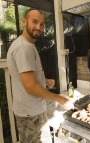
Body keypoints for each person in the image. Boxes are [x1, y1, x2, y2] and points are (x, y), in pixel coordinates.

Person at [7, 8, 74, 143]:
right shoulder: (24, 48)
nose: (39, 27)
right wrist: (61, 100)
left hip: (29, 112)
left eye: (42, 24)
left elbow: (26, 79)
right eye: (35, 22)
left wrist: (43, 80)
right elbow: (31, 87)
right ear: (24, 22)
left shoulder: (25, 44)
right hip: (31, 115)